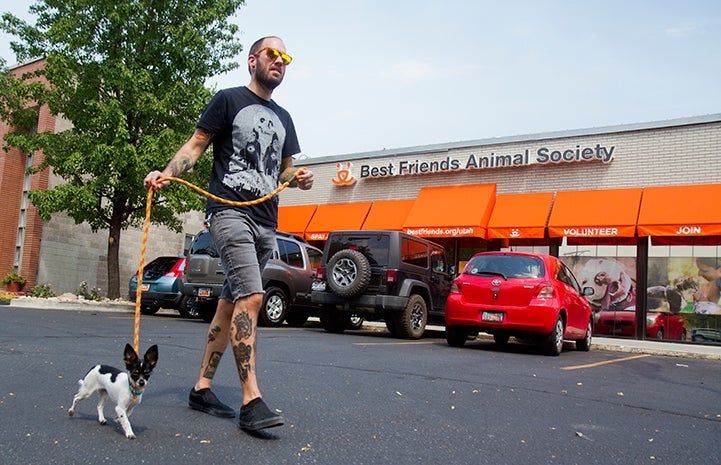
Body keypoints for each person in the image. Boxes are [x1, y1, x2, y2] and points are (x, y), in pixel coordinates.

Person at [144, 36, 313, 431]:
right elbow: (196, 145)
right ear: (253, 60)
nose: (280, 61)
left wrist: (298, 179)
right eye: (273, 54)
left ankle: (201, 387)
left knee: (229, 303)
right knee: (253, 297)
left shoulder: (285, 118)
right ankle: (251, 400)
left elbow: (284, 169)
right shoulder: (228, 100)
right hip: (229, 213)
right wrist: (167, 174)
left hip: (266, 222)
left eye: (286, 57)